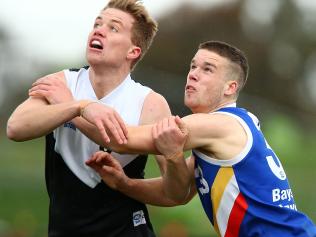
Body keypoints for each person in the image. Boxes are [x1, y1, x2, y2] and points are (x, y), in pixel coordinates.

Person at [81, 41, 316, 236]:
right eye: (193, 66)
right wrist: (125, 183)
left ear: (230, 87)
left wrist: (75, 107)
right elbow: (176, 193)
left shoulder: (217, 124)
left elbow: (122, 140)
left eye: (207, 69)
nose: (193, 74)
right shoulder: (225, 128)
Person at [6, 0, 172, 236]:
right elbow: (15, 128)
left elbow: (173, 191)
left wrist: (127, 185)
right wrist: (79, 106)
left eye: (113, 28)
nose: (99, 30)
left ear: (133, 51)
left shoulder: (149, 103)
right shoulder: (62, 83)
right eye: (97, 23)